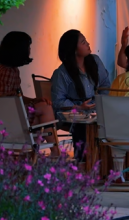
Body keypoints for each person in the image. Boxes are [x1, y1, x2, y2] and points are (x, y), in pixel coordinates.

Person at [0, 31, 58, 154]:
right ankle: (55, 153)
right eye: (28, 47)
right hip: (6, 121)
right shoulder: (7, 72)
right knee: (45, 110)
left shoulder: (9, 69)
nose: (29, 50)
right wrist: (34, 106)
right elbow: (4, 103)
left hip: (7, 117)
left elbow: (15, 97)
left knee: (43, 110)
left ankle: (47, 154)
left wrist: (34, 101)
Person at [51, 29, 110, 159]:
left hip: (95, 109)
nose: (88, 44)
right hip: (73, 112)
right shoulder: (61, 73)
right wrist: (79, 107)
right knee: (81, 123)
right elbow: (58, 101)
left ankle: (105, 162)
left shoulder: (95, 61)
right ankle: (84, 162)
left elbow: (105, 84)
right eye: (83, 42)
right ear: (74, 49)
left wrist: (102, 102)